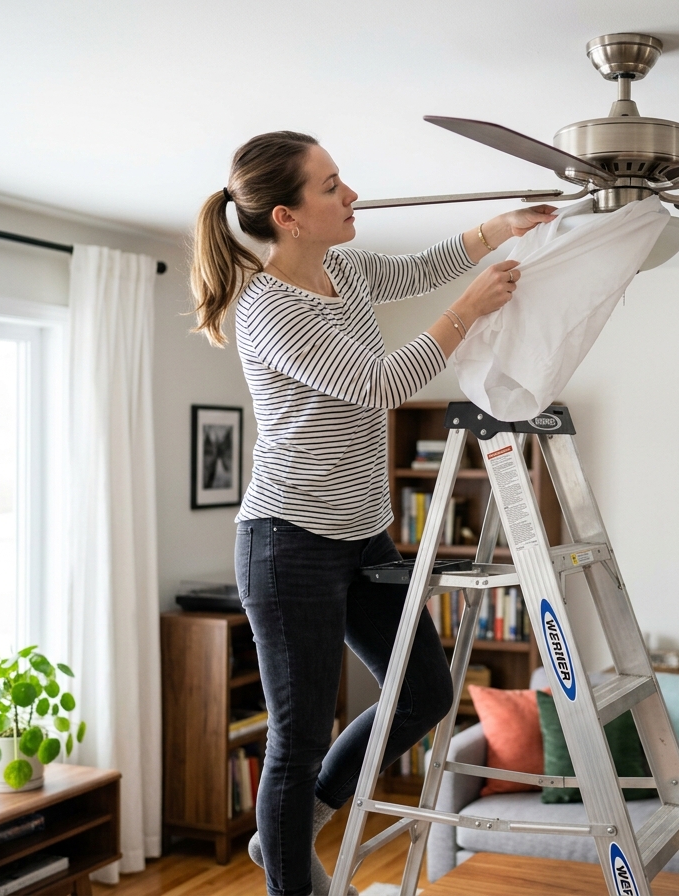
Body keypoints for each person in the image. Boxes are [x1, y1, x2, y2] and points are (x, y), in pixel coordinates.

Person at [190, 130, 555, 896]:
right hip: (287, 544)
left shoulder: (345, 271)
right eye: (331, 186)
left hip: (362, 536)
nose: (350, 194)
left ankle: (289, 829)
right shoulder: (265, 310)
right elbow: (378, 383)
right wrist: (467, 309)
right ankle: (291, 873)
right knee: (297, 737)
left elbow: (420, 266)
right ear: (286, 217)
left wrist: (500, 229)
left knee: (424, 694)